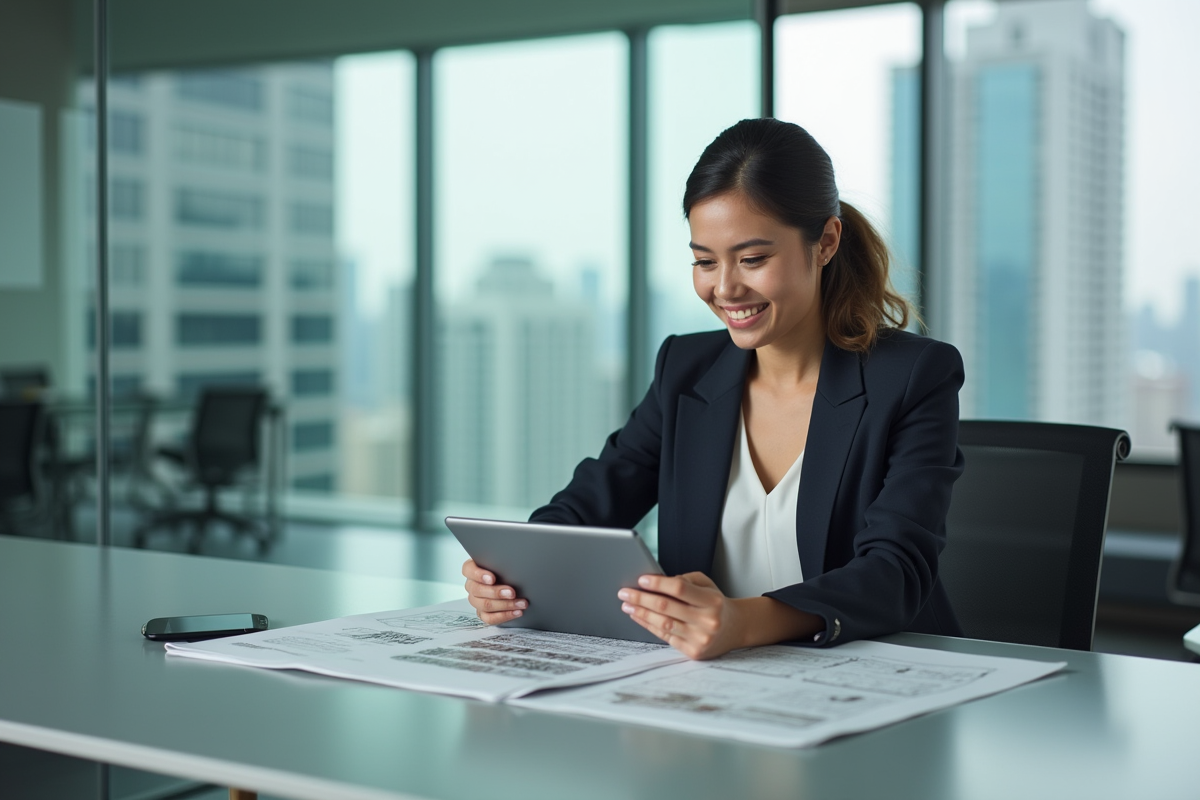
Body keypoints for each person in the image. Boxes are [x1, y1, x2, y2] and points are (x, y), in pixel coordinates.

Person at [462, 118, 964, 660]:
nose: (724, 288)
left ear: (825, 242)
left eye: (752, 259)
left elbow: (896, 571)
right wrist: (510, 577)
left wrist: (741, 621)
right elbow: (586, 508)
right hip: (715, 685)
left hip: (884, 675)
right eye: (704, 261)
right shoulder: (686, 368)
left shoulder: (913, 377)